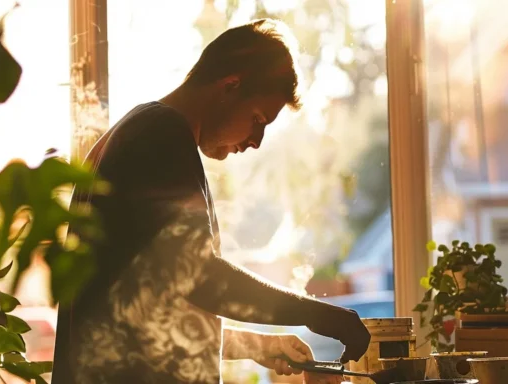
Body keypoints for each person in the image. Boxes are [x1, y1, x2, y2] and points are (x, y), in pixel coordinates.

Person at [53, 19, 371, 383]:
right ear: (230, 86)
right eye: (258, 119)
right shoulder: (161, 137)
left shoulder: (138, 133)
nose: (256, 141)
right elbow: (199, 275)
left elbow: (151, 311)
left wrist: (257, 346)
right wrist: (315, 313)